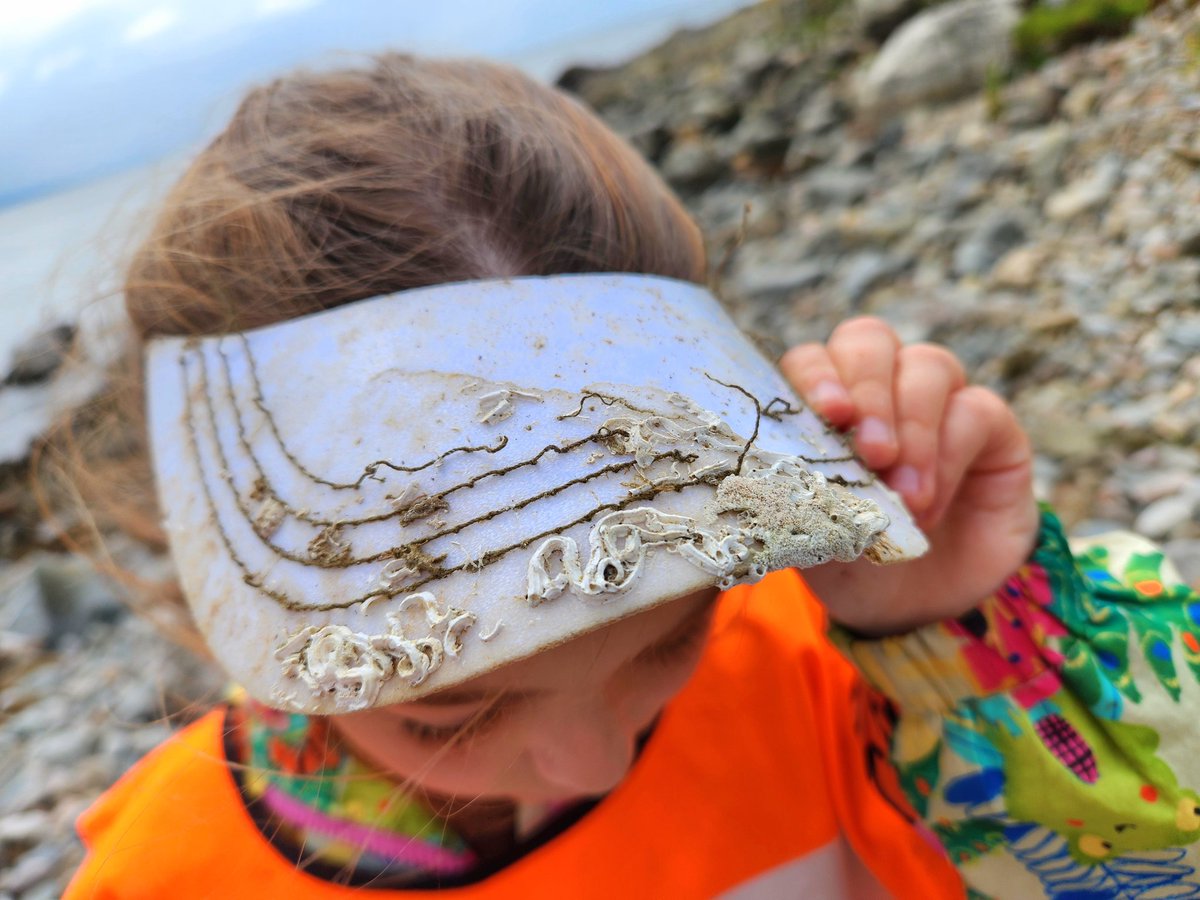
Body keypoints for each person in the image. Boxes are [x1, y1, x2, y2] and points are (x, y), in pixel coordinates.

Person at [52, 53, 1200, 900]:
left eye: (668, 636)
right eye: (448, 708)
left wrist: (968, 635)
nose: (592, 762)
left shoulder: (847, 677)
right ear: (198, 577)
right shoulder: (165, 881)